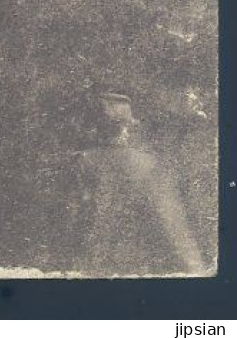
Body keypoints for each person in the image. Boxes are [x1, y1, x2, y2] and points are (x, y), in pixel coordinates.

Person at [71, 91, 204, 275]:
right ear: (127, 129)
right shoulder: (147, 164)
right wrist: (196, 268)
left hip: (91, 261)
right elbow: (174, 223)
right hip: (136, 263)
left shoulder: (83, 161)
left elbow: (77, 214)